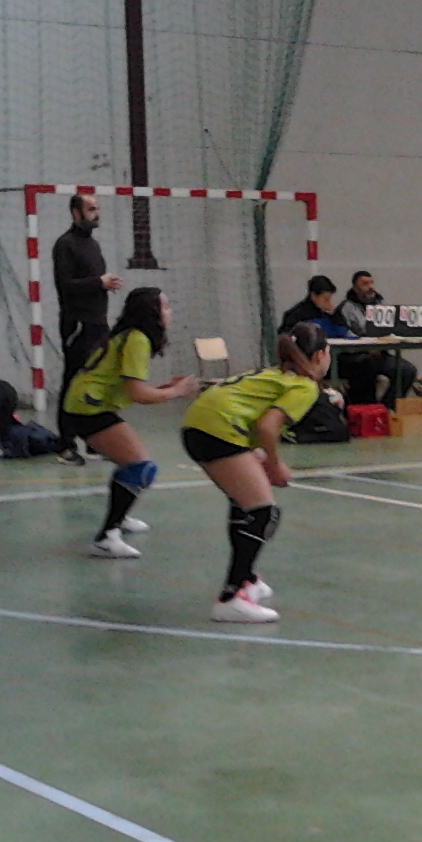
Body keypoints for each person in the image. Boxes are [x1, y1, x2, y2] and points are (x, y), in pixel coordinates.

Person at [179, 323, 333, 624]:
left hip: (200, 424)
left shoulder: (275, 374)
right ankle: (231, 597)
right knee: (262, 512)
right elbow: (267, 426)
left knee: (243, 501)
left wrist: (256, 455)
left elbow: (252, 417)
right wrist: (275, 465)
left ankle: (247, 578)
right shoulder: (304, 385)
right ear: (321, 355)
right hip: (217, 429)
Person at [62, 287, 197, 559]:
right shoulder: (137, 340)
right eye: (165, 307)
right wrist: (177, 392)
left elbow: (126, 386)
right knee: (140, 468)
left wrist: (162, 388)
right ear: (153, 313)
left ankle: (118, 519)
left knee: (132, 465)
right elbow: (139, 395)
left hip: (83, 405)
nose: (169, 312)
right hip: (88, 409)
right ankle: (106, 536)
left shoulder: (128, 336)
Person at [52, 193, 124, 464]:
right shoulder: (65, 245)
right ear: (76, 213)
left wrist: (105, 285)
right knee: (73, 381)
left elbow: (94, 281)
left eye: (98, 209)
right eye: (91, 209)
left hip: (98, 323)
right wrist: (99, 283)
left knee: (96, 382)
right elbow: (66, 285)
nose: (96, 214)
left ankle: (93, 442)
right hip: (78, 324)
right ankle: (65, 445)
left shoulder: (92, 245)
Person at [338, 269, 422, 403]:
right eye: (365, 284)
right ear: (355, 288)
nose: (370, 287)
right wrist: (363, 346)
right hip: (356, 356)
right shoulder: (345, 308)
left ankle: (387, 408)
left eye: (371, 283)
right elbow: (343, 334)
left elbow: (391, 328)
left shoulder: (382, 305)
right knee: (366, 370)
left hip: (380, 354)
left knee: (408, 371)